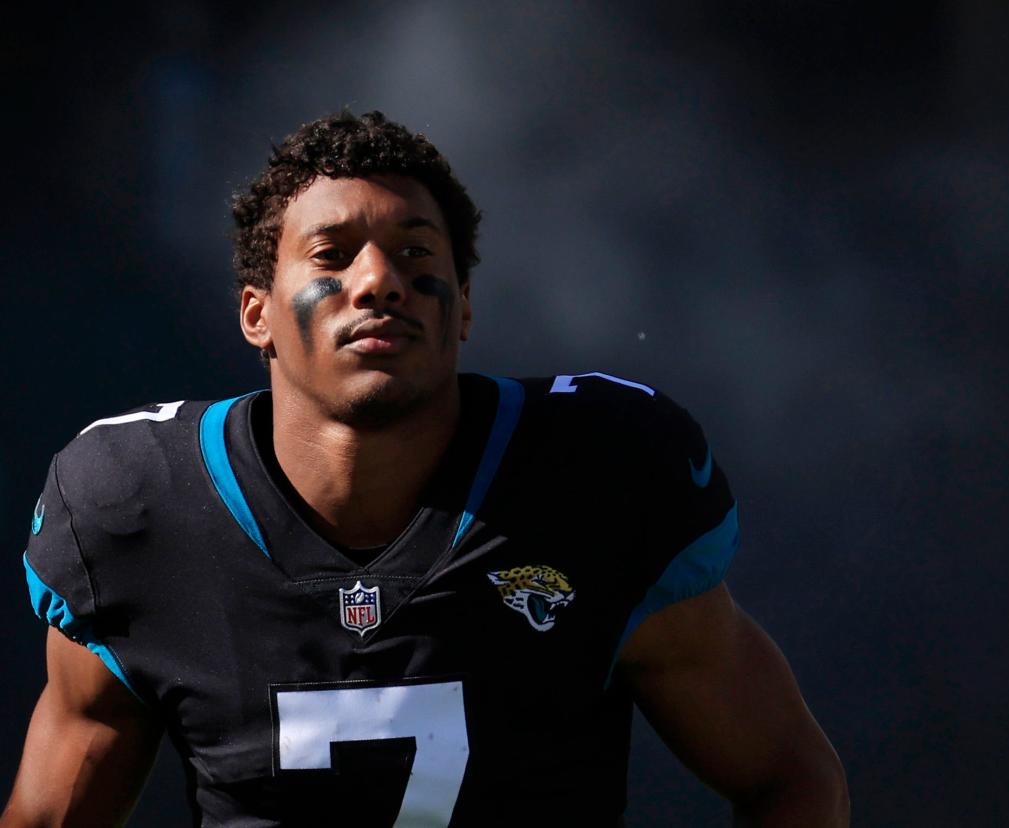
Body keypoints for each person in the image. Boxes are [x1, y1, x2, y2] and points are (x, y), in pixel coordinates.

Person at [3, 111, 848, 827]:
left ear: (465, 303)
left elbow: (785, 772)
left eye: (416, 255)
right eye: (331, 256)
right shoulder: (135, 508)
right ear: (255, 314)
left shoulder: (598, 476)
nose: (379, 282)